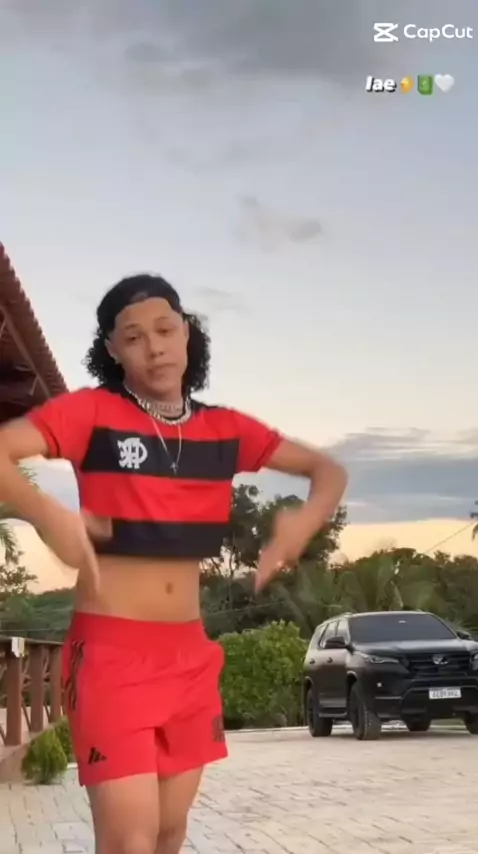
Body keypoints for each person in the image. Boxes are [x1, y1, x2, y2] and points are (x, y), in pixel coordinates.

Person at [0, 274, 347, 854]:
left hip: (189, 655)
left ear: (187, 332)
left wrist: (300, 525)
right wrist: (49, 515)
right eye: (134, 337)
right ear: (112, 350)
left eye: (165, 330)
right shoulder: (91, 413)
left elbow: (328, 471)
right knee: (129, 840)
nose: (154, 348)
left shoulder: (225, 429)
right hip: (112, 654)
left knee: (168, 832)